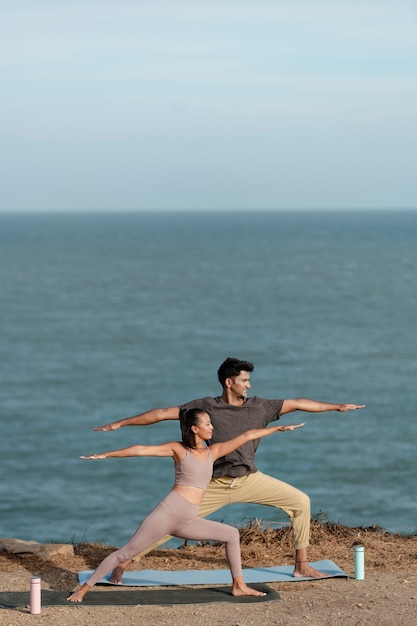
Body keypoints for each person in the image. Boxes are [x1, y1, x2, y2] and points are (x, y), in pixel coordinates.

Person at [94, 357, 365, 582]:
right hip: (212, 484)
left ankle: (301, 565)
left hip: (249, 479)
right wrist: (121, 423)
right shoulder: (204, 408)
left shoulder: (261, 407)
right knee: (168, 525)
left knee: (300, 502)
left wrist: (336, 407)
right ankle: (124, 562)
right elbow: (161, 413)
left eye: (249, 380)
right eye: (244, 380)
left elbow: (299, 403)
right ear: (229, 382)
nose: (249, 385)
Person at [67, 408, 305, 602]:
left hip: (188, 519)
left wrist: (278, 428)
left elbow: (246, 436)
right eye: (208, 424)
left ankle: (239, 585)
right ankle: (84, 589)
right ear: (195, 428)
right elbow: (141, 450)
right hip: (169, 512)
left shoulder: (213, 451)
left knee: (231, 534)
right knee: (126, 552)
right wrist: (107, 455)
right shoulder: (178, 449)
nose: (212, 427)